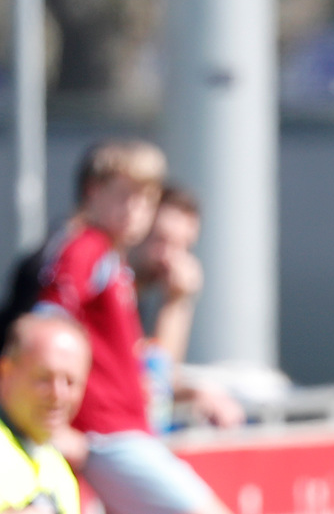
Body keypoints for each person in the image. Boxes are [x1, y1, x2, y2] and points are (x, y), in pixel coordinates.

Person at [31, 139, 233, 514]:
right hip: (108, 435)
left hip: (122, 432)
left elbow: (144, 368)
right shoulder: (85, 248)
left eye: (145, 200)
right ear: (93, 192)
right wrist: (56, 428)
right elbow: (45, 330)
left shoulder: (110, 258)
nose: (135, 211)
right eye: (125, 196)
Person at [127, 187, 243, 430]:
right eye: (161, 240)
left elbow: (160, 380)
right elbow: (153, 384)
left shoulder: (143, 294)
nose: (170, 258)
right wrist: (176, 304)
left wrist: (196, 392)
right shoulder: (108, 287)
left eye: (183, 246)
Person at [0, 314, 90, 514]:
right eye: (43, 379)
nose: (58, 395)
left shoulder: (61, 473)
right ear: (5, 372)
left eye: (70, 382)